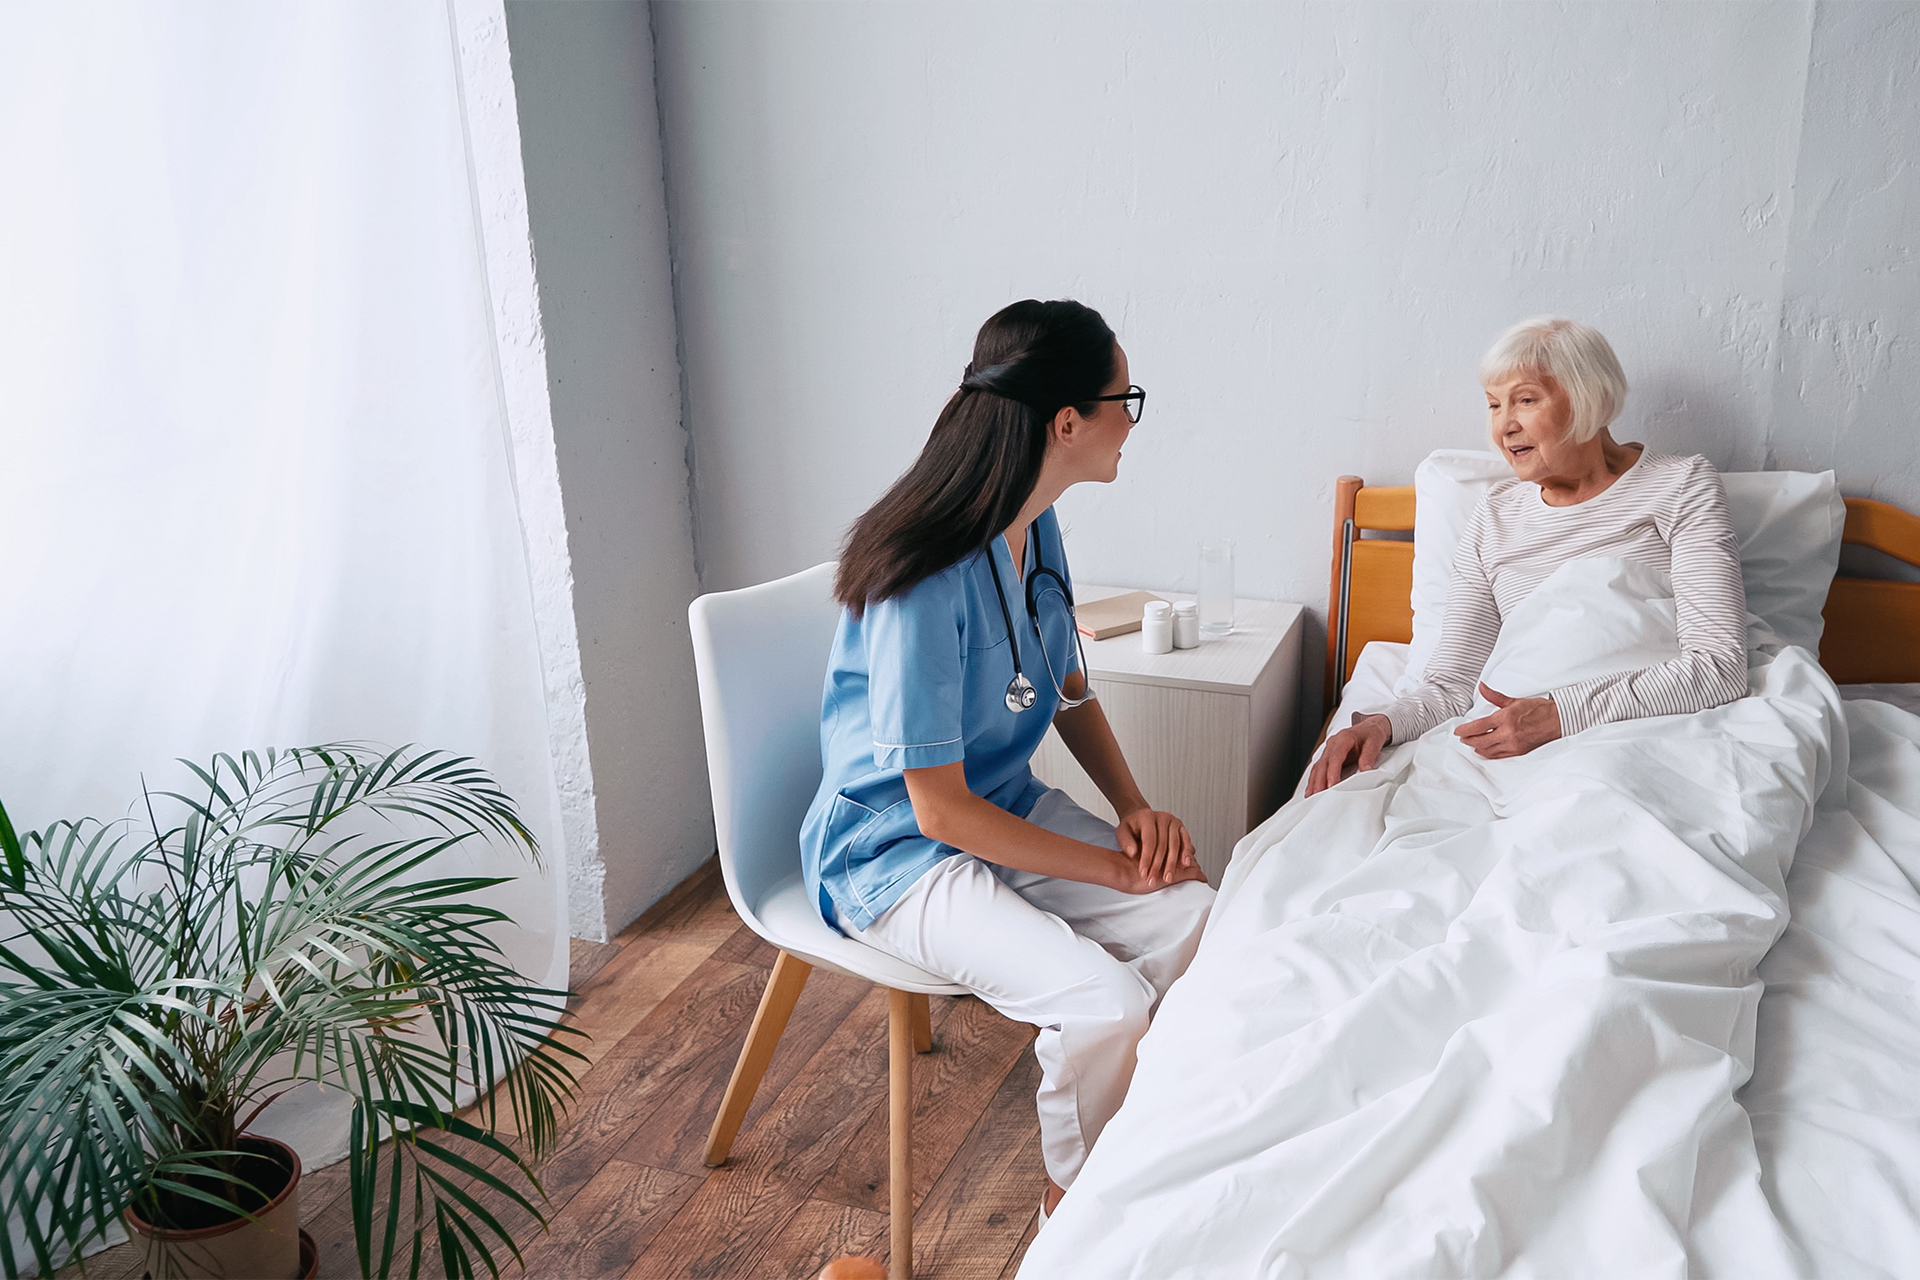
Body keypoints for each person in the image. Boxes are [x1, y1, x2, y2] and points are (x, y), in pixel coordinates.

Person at [800, 299, 1214, 1221]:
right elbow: (940, 813)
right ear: (1067, 422)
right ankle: (1073, 1209)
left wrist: (1134, 809)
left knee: (1194, 919)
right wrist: (1111, 864)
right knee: (1103, 1005)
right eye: (1125, 400)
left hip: (1002, 807)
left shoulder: (1036, 522)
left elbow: (1065, 685)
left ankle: (1142, 1153)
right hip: (897, 855)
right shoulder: (921, 575)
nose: (1130, 423)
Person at [1307, 315, 1749, 796]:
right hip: (1508, 753)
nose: (1504, 426)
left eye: (1525, 400)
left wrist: (1560, 715)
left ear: (1589, 398)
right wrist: (1382, 725)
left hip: (1640, 742)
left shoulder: (1680, 486)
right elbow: (1453, 684)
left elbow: (1718, 666)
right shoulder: (1493, 516)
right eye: (1494, 405)